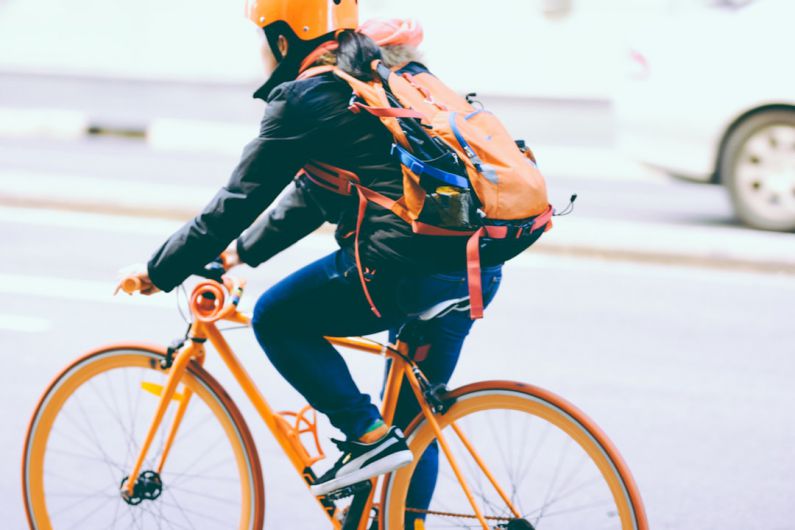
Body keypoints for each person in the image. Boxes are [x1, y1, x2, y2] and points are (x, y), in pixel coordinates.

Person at [119, 1, 504, 522]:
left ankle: (364, 433)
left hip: (400, 272)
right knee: (415, 425)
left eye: (262, 38)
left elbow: (237, 200)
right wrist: (237, 255)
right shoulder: (377, 77)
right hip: (473, 267)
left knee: (277, 316)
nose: (259, 51)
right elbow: (314, 196)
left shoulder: (305, 96)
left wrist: (160, 270)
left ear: (284, 40)